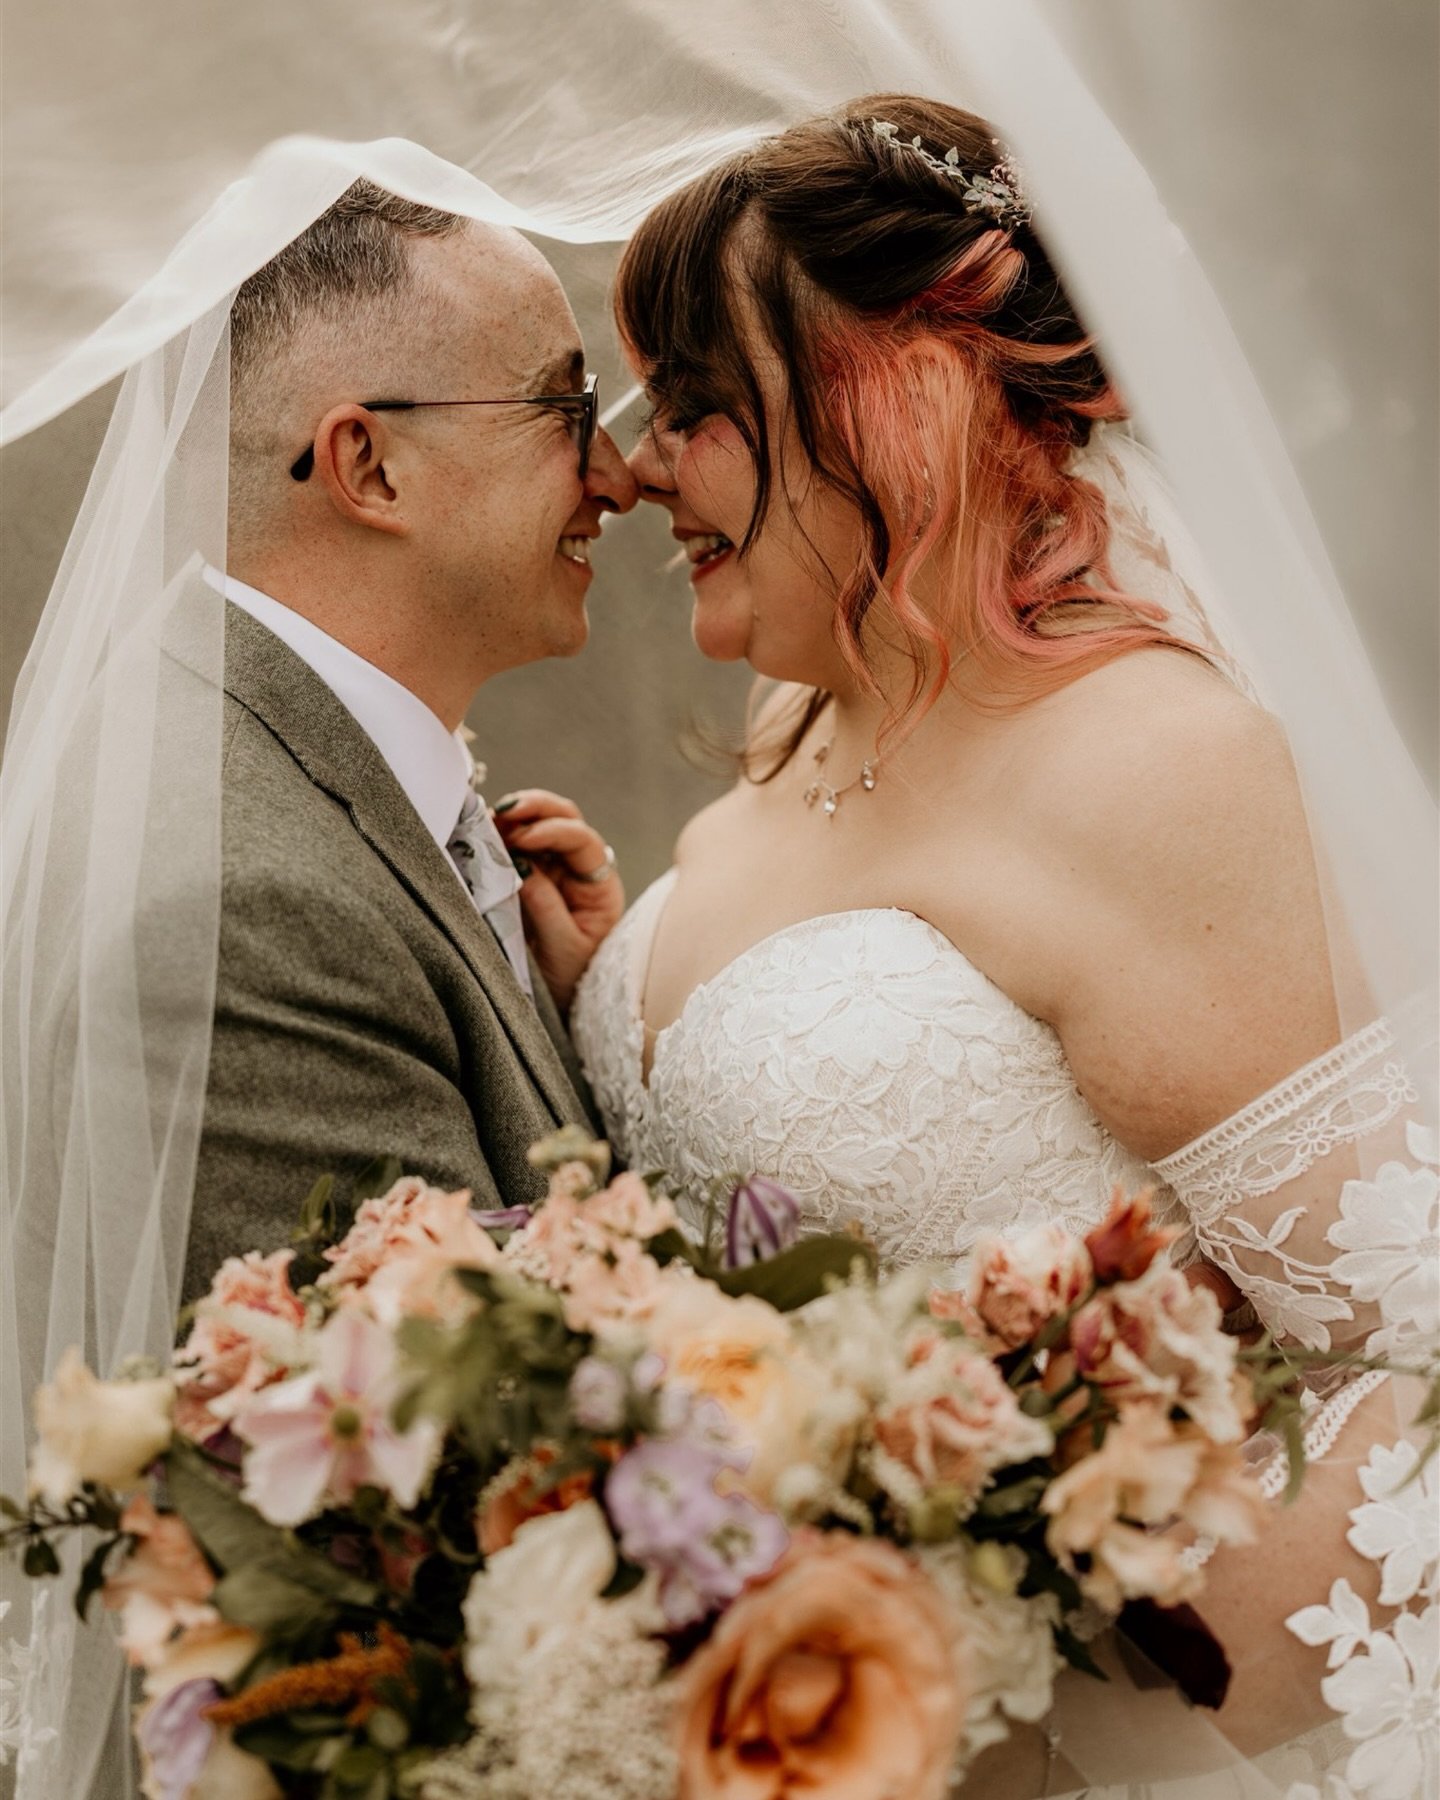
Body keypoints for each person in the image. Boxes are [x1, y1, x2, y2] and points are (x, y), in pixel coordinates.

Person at [516, 95, 1437, 1792]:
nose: (638, 466)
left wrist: (984, 1594)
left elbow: (1419, 1380)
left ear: (900, 402)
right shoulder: (812, 703)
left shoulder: (1151, 770)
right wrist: (608, 1001)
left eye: (701, 410)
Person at [183, 180, 638, 1293]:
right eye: (564, 409)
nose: (617, 478)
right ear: (370, 466)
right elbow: (489, 1425)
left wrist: (588, 1029)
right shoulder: (259, 914)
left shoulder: (284, 777)